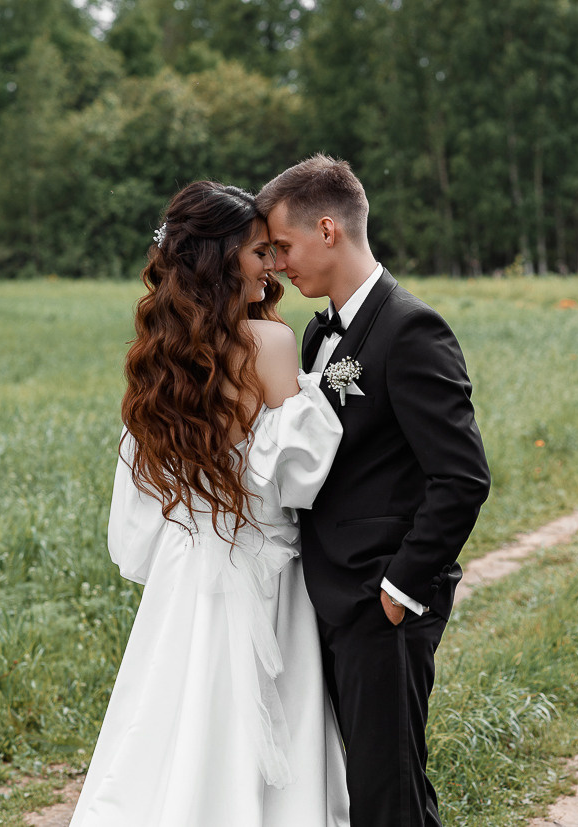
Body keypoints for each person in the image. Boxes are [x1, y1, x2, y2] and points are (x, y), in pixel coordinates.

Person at [70, 181, 349, 827]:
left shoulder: (160, 359)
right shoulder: (271, 344)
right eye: (259, 252)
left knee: (173, 717)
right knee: (263, 719)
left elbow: (144, 491)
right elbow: (300, 474)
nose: (273, 264)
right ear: (220, 259)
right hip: (265, 574)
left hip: (185, 570)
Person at [256, 155, 490, 827]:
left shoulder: (411, 329)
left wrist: (397, 593)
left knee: (387, 793)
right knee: (360, 786)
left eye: (284, 246)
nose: (276, 263)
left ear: (328, 230)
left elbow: (463, 476)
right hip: (324, 597)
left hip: (381, 604)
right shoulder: (316, 333)